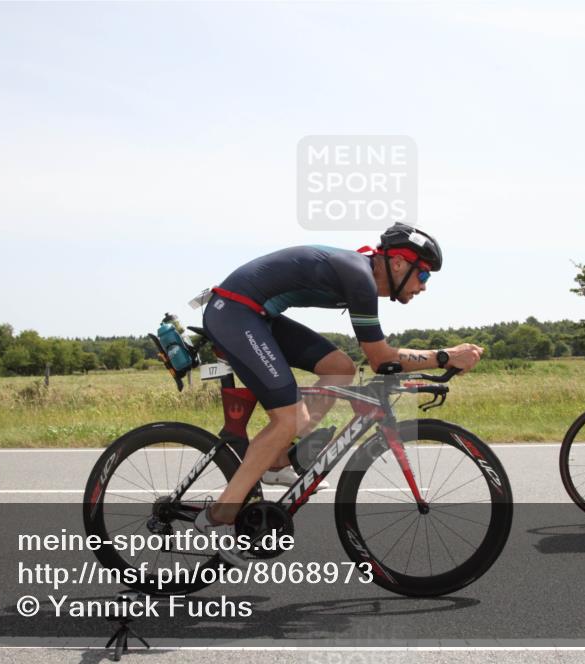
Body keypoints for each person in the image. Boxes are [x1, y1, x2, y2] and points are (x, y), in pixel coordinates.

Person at [194, 223, 483, 565]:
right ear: (400, 264)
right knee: (288, 420)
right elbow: (381, 359)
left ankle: (275, 461)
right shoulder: (360, 278)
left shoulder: (362, 275)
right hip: (234, 312)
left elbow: (374, 359)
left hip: (255, 314)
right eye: (424, 275)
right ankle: (218, 517)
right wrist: (445, 356)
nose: (423, 286)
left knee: (340, 368)